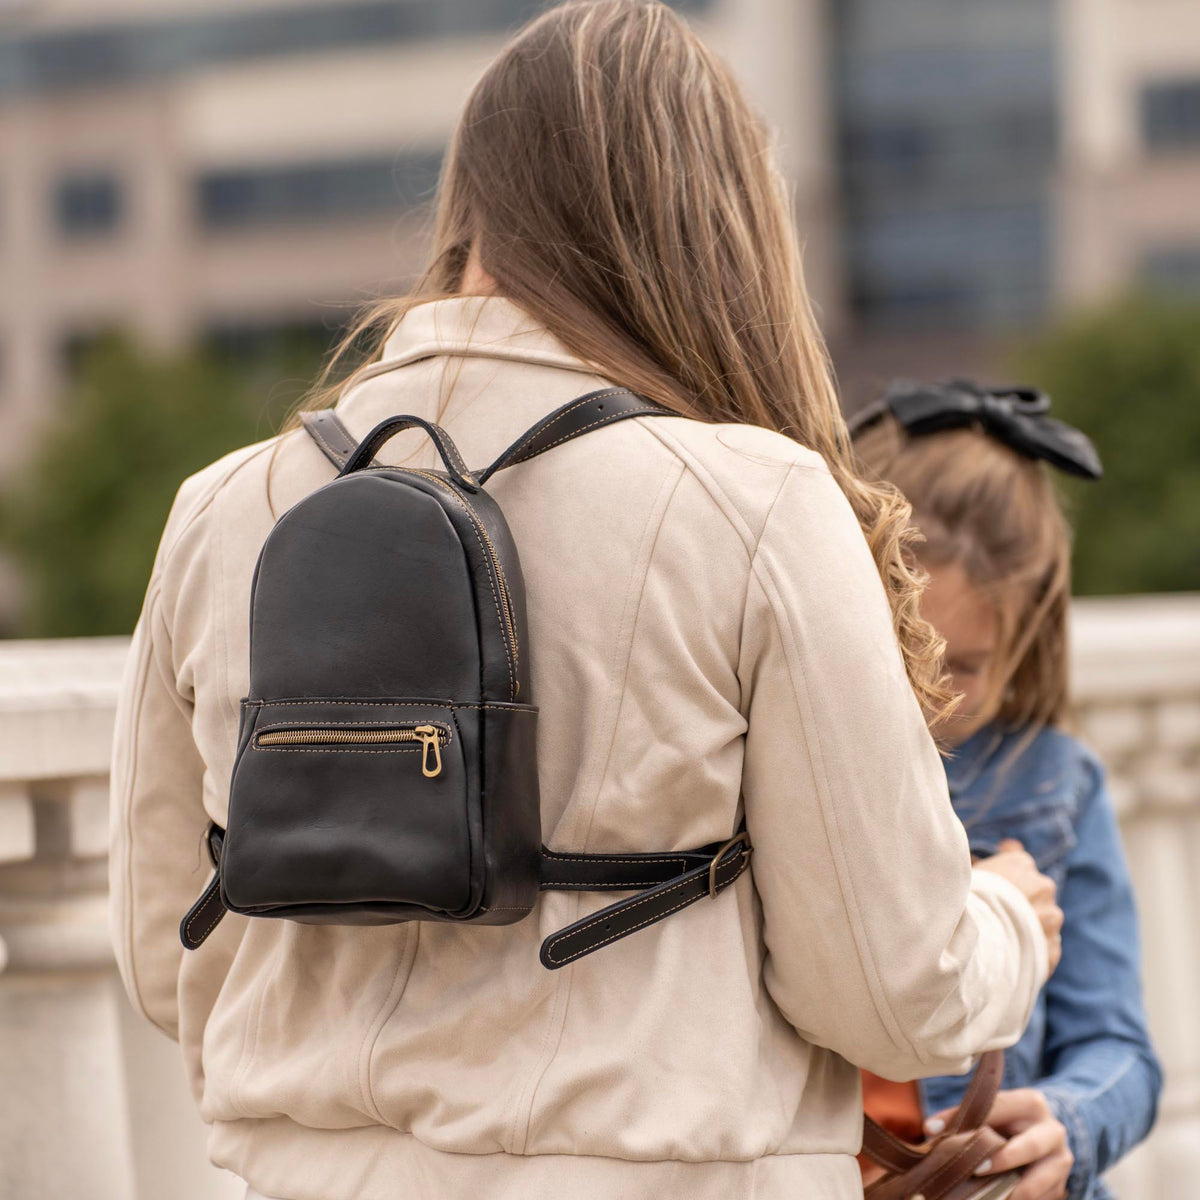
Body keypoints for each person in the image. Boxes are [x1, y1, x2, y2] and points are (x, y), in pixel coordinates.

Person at [109, 6, 1060, 1199]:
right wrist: (1007, 923)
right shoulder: (755, 505)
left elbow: (166, 955)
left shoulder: (221, 510)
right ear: (715, 223)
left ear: (472, 205)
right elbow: (888, 992)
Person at [852, 380, 1163, 1200]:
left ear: (1027, 644)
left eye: (965, 666)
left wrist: (1069, 1119)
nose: (930, 692)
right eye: (903, 649)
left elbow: (1121, 1049)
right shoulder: (792, 768)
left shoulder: (1056, 780)